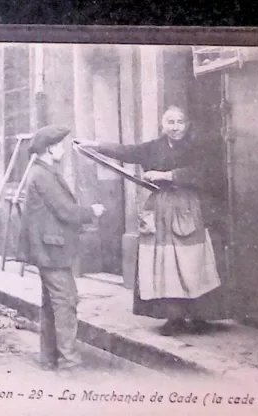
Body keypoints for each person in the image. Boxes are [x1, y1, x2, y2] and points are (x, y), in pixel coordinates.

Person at [78, 106, 223, 336]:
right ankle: (173, 317)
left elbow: (206, 172)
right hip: (160, 209)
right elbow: (126, 151)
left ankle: (198, 316)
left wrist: (168, 175)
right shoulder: (154, 148)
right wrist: (96, 145)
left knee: (191, 260)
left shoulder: (197, 147)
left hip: (188, 208)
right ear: (162, 125)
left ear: (187, 125)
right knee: (164, 263)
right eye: (170, 122)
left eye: (180, 122)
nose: (175, 128)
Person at [17, 125, 106, 370]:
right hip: (51, 250)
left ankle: (49, 358)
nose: (64, 150)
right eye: (60, 145)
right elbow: (65, 211)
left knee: (51, 304)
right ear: (49, 148)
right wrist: (91, 212)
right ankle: (69, 363)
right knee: (65, 302)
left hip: (48, 249)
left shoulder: (42, 171)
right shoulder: (43, 175)